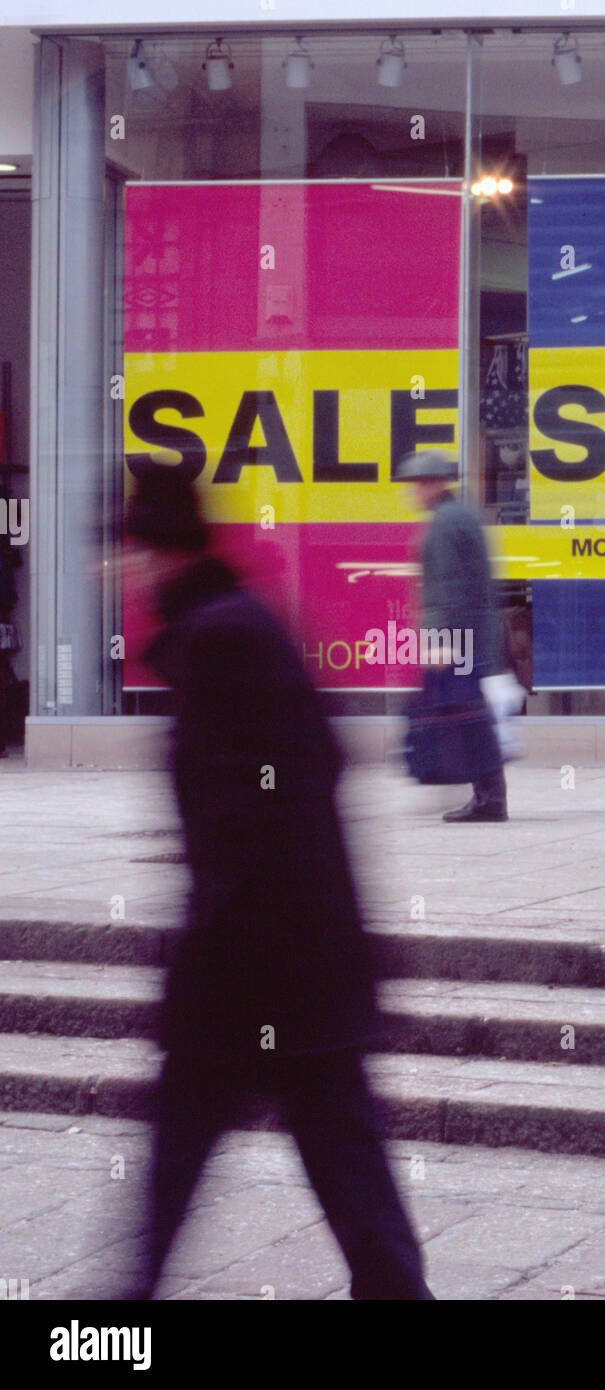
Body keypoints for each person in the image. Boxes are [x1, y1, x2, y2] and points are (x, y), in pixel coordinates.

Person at [123, 460, 433, 1301]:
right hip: (300, 962)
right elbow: (309, 772)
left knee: (186, 1152)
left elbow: (251, 816)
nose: (118, 570)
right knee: (337, 1153)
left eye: (126, 552)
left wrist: (207, 948)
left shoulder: (221, 637)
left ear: (156, 552)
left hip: (255, 968)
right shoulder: (240, 622)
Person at [399, 450, 508, 823]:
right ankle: (487, 795)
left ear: (431, 484)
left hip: (457, 639)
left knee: (469, 718)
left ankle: (489, 799)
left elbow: (449, 587)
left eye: (415, 484)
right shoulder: (461, 515)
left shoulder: (445, 522)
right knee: (470, 716)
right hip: (469, 636)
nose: (412, 493)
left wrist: (440, 640)